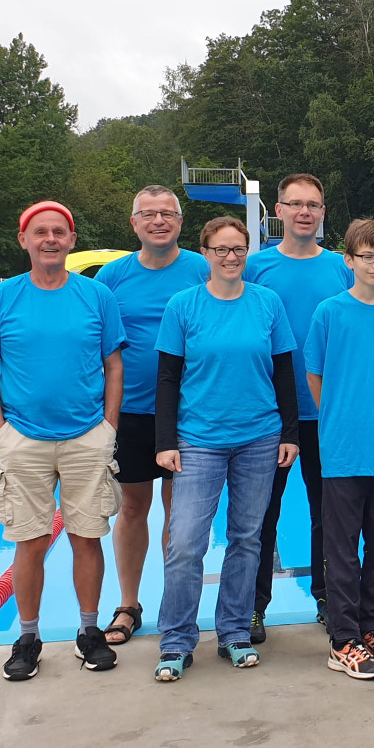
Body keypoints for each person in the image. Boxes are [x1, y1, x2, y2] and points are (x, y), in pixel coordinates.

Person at [0, 200, 126, 681]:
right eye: (40, 232)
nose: (50, 240)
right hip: (24, 438)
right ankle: (28, 635)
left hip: (87, 436)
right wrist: (0, 433)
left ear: (71, 239)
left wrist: (108, 428)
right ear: (24, 240)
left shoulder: (96, 295)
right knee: (30, 541)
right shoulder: (2, 298)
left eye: (58, 232)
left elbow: (114, 365)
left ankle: (88, 631)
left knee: (87, 537)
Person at [153, 216, 299, 681]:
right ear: (207, 253)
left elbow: (283, 373)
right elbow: (168, 377)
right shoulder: (184, 305)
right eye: (222, 250)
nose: (231, 257)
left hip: (259, 437)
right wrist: (164, 442)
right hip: (198, 441)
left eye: (238, 249)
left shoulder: (267, 303)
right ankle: (176, 640)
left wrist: (290, 433)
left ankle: (234, 630)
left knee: (246, 540)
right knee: (186, 543)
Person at [305, 219, 374, 679]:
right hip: (344, 449)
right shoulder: (329, 312)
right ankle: (342, 639)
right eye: (366, 256)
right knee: (342, 547)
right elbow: (316, 376)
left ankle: (373, 628)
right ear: (348, 260)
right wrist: (339, 417)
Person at [96, 186, 208, 645]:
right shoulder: (112, 276)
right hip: (132, 412)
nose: (159, 221)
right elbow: (92, 342)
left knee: (180, 515)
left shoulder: (202, 269)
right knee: (134, 508)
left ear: (181, 223)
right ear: (134, 223)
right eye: (149, 214)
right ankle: (128, 603)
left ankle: (176, 605)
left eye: (168, 214)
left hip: (191, 412)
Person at [245, 173, 352, 642]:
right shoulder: (256, 268)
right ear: (279, 210)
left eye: (314, 204)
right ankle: (253, 606)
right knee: (260, 515)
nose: (305, 211)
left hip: (328, 413)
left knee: (328, 513)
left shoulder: (340, 270)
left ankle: (328, 598)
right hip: (270, 416)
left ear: (323, 213)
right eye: (296, 204)